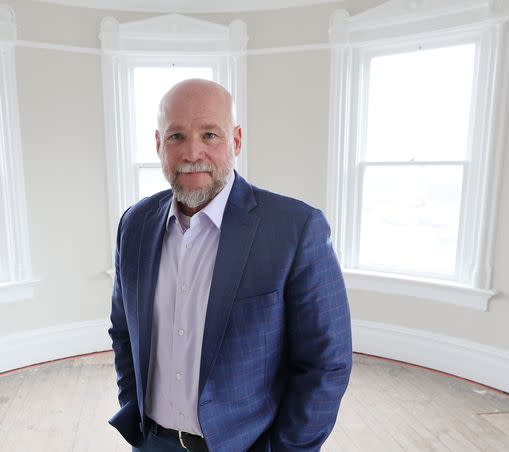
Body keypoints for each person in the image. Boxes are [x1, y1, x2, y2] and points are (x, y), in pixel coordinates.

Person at [108, 79, 352, 451]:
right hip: (152, 442)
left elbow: (326, 364)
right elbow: (124, 331)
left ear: (236, 141)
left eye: (209, 135)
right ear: (158, 144)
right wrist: (135, 412)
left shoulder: (295, 229)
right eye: (176, 136)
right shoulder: (135, 224)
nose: (192, 152)